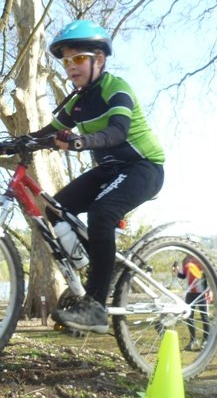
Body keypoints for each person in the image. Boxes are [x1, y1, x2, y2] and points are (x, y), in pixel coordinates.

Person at [30, 19, 165, 333]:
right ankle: (105, 271)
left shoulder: (116, 89)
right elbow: (46, 133)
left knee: (101, 214)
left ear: (98, 60)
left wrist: (80, 141)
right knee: (55, 208)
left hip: (143, 167)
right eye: (66, 61)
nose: (70, 67)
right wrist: (7, 145)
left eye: (78, 59)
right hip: (109, 170)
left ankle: (97, 306)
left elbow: (117, 132)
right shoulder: (78, 102)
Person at [173, 256, 210, 350]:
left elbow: (208, 275)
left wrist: (210, 291)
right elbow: (183, 275)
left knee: (204, 316)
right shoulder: (185, 260)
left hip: (201, 293)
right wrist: (176, 270)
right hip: (190, 293)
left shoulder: (200, 258)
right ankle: (193, 341)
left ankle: (206, 340)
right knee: (188, 316)